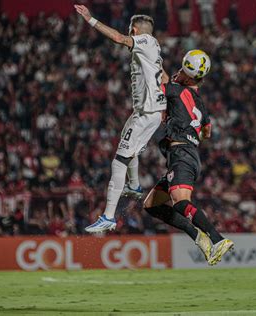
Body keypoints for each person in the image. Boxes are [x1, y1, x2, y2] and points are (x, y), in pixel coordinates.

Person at [74, 5, 167, 232]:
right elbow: (163, 76)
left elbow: (117, 38)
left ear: (134, 31)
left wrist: (90, 19)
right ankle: (134, 186)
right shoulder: (154, 47)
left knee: (119, 161)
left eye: (130, 31)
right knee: (128, 145)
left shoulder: (143, 41)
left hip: (146, 114)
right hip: (149, 112)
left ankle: (108, 216)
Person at [143, 50, 234, 265]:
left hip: (181, 154)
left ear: (190, 76)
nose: (178, 72)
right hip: (189, 155)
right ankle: (197, 236)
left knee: (180, 202)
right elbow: (207, 132)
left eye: (183, 70)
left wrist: (147, 59)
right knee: (151, 205)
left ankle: (217, 238)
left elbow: (159, 83)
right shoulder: (200, 104)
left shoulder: (175, 90)